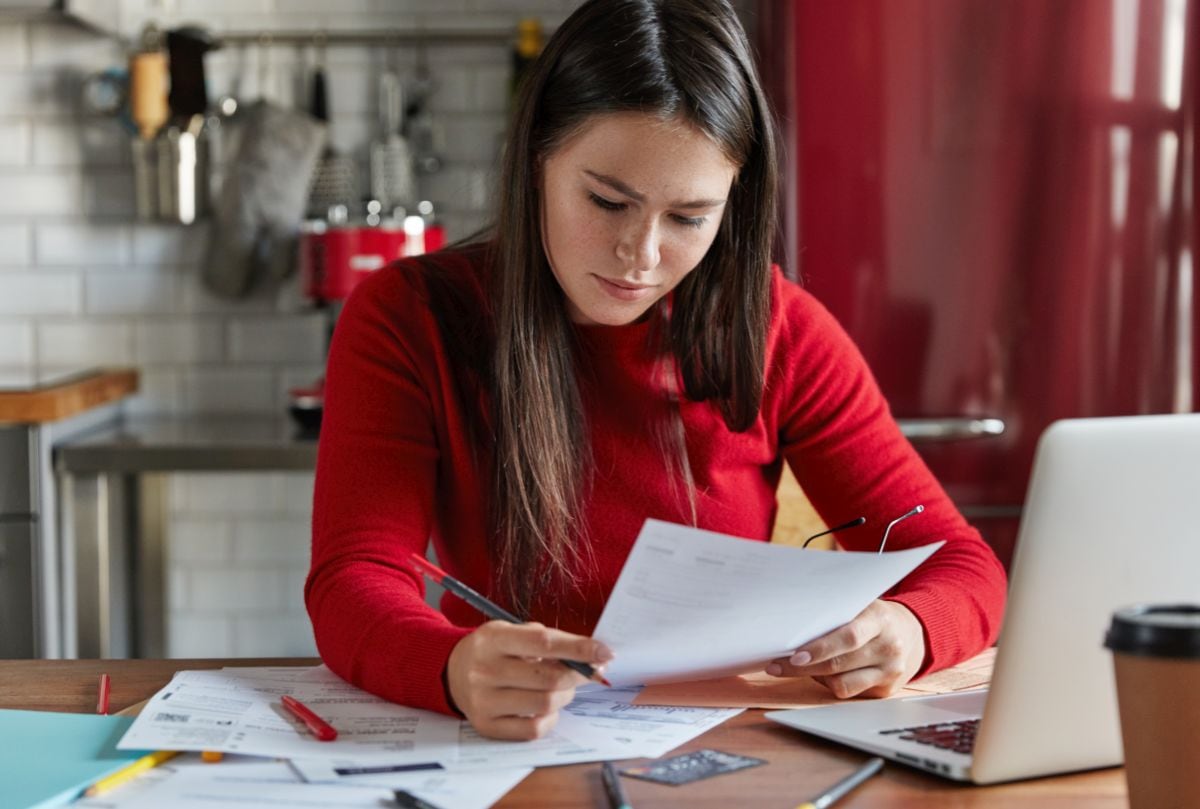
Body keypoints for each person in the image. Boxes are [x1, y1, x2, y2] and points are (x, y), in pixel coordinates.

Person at [306, 0, 1007, 742]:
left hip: (725, 753)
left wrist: (910, 626)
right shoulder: (406, 317)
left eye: (688, 217)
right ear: (538, 157)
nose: (640, 254)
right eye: (608, 201)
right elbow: (353, 577)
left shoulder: (780, 329)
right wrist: (451, 666)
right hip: (506, 743)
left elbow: (965, 566)